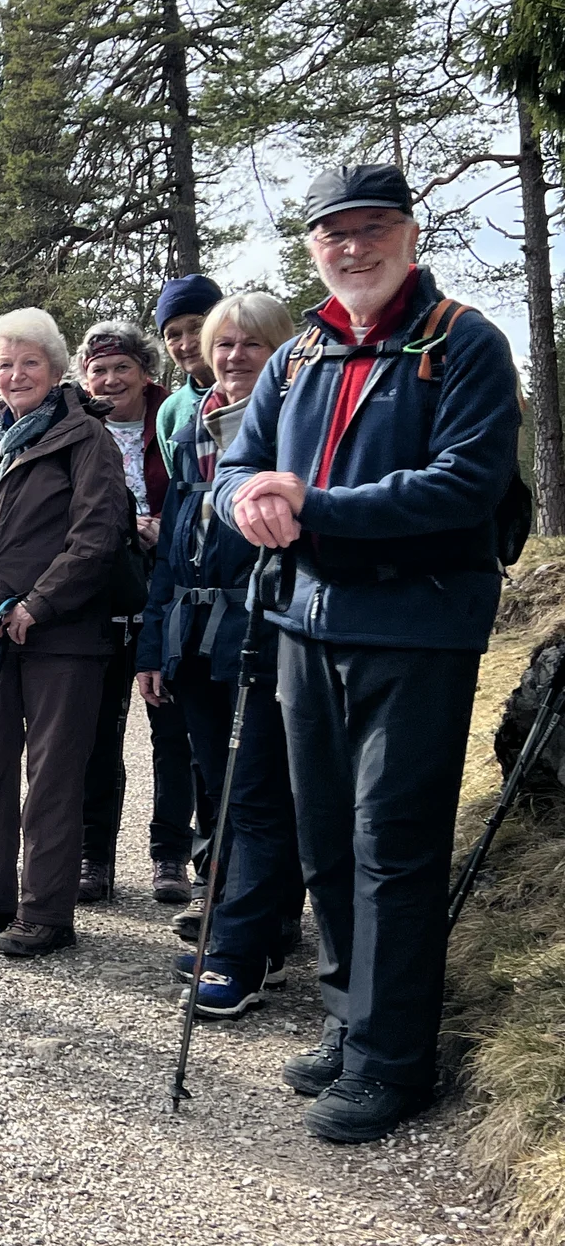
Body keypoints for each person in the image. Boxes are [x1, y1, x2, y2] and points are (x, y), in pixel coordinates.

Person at [217, 164, 521, 1142]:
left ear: (408, 233)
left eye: (371, 227)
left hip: (418, 624)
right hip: (308, 622)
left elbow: (464, 485)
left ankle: (396, 1063)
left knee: (394, 843)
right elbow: (236, 461)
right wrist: (245, 502)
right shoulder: (302, 351)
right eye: (331, 233)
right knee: (327, 842)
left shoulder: (464, 342)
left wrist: (313, 507)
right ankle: (353, 1029)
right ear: (314, 247)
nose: (352, 247)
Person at [0, 308, 125, 958]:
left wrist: (37, 604)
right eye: (5, 365)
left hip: (62, 637)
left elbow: (96, 537)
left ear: (57, 369)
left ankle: (45, 912)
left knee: (54, 776)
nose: (15, 375)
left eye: (29, 363)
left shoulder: (86, 439)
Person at [136, 291, 304, 1018]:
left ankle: (240, 954)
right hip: (193, 639)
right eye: (224, 344)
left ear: (281, 352)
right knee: (227, 791)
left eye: (251, 345)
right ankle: (251, 932)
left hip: (260, 632)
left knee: (258, 796)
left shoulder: (297, 426)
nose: (234, 358)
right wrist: (152, 643)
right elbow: (173, 549)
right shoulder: (194, 429)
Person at [72, 321, 209, 907]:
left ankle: (171, 856)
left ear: (145, 371)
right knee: (98, 730)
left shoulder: (174, 418)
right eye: (98, 370)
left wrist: (165, 532)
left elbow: (198, 490)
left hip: (169, 587)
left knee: (172, 727)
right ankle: (92, 857)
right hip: (100, 593)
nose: (109, 379)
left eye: (121, 367)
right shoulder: (77, 427)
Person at [153, 274, 224, 471]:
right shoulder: (170, 412)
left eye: (197, 328)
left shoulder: (257, 391)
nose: (186, 345)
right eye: (173, 335)